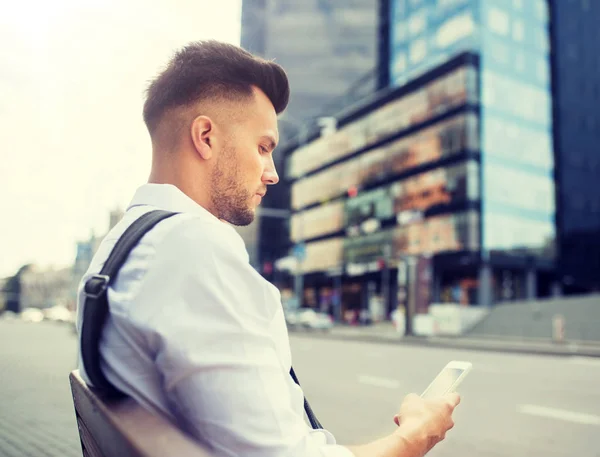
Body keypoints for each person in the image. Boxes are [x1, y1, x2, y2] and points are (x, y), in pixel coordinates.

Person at [75, 40, 460, 457]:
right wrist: (416, 437)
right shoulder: (191, 249)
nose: (273, 174)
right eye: (263, 147)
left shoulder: (120, 246)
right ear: (206, 137)